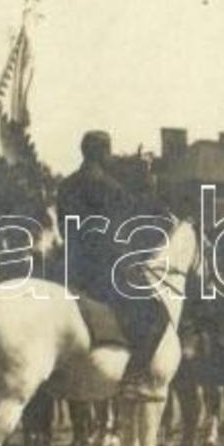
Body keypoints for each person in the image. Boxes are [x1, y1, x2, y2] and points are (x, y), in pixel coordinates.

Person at [55, 131, 167, 401]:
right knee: (156, 314)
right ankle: (133, 378)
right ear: (102, 153)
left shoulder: (66, 185)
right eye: (109, 152)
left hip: (68, 265)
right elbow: (124, 229)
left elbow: (62, 225)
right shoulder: (110, 187)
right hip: (103, 269)